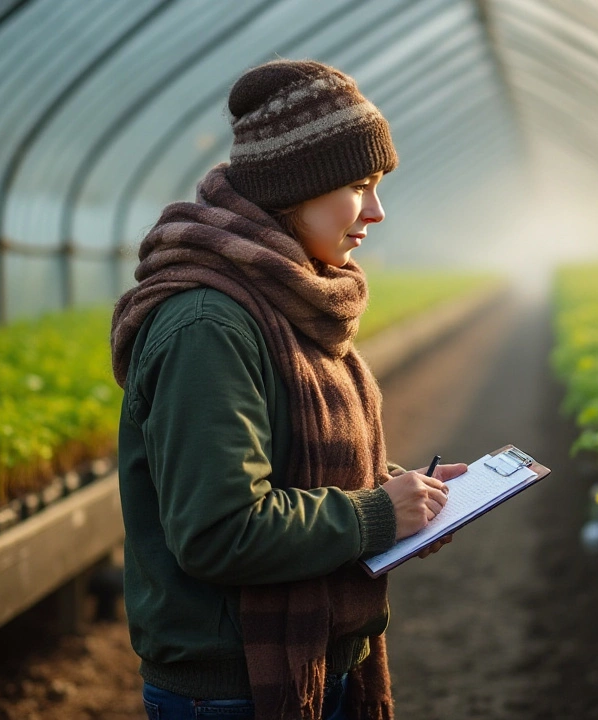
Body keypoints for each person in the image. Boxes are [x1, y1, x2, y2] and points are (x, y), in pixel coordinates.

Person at [109, 59, 460, 720]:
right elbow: (221, 529)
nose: (378, 212)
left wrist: (404, 495)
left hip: (313, 658)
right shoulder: (209, 327)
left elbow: (288, 459)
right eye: (360, 185)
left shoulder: (290, 296)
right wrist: (377, 515)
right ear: (294, 189)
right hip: (234, 689)